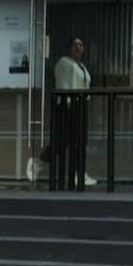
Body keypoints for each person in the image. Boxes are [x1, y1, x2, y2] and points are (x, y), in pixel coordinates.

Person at [27, 38, 96, 186]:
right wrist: (69, 103)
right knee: (63, 140)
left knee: (80, 142)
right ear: (69, 48)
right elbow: (64, 84)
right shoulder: (64, 63)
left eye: (81, 45)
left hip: (81, 104)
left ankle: (80, 173)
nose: (78, 48)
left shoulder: (81, 66)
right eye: (75, 45)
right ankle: (38, 162)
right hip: (69, 105)